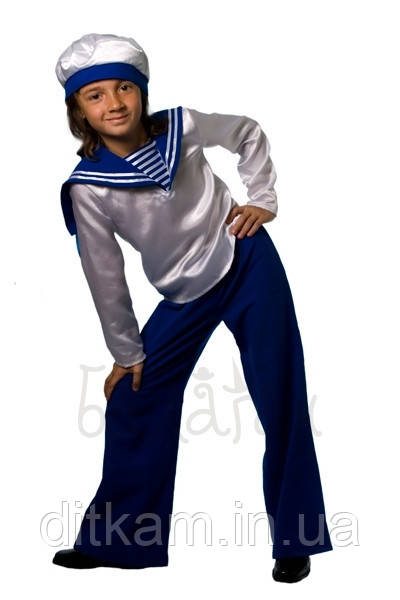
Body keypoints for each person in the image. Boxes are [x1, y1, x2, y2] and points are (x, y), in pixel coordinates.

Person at [52, 33, 333, 582]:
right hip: (185, 291)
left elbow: (246, 132)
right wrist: (127, 353)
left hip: (246, 257)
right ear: (78, 110)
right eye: (95, 95)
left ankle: (295, 539)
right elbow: (105, 276)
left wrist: (262, 200)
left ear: (142, 92)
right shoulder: (88, 189)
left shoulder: (181, 127)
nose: (114, 103)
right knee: (134, 396)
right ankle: (118, 540)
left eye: (124, 88)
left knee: (281, 393)